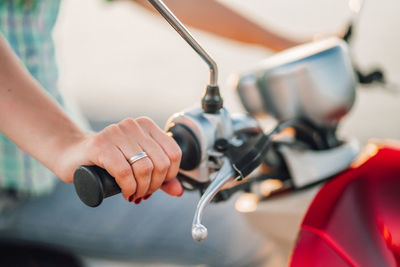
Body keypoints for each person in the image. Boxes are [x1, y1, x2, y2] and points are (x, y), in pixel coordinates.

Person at [0, 0, 298, 265]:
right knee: (245, 238)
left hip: (46, 166)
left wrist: (285, 44)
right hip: (16, 186)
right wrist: (67, 143)